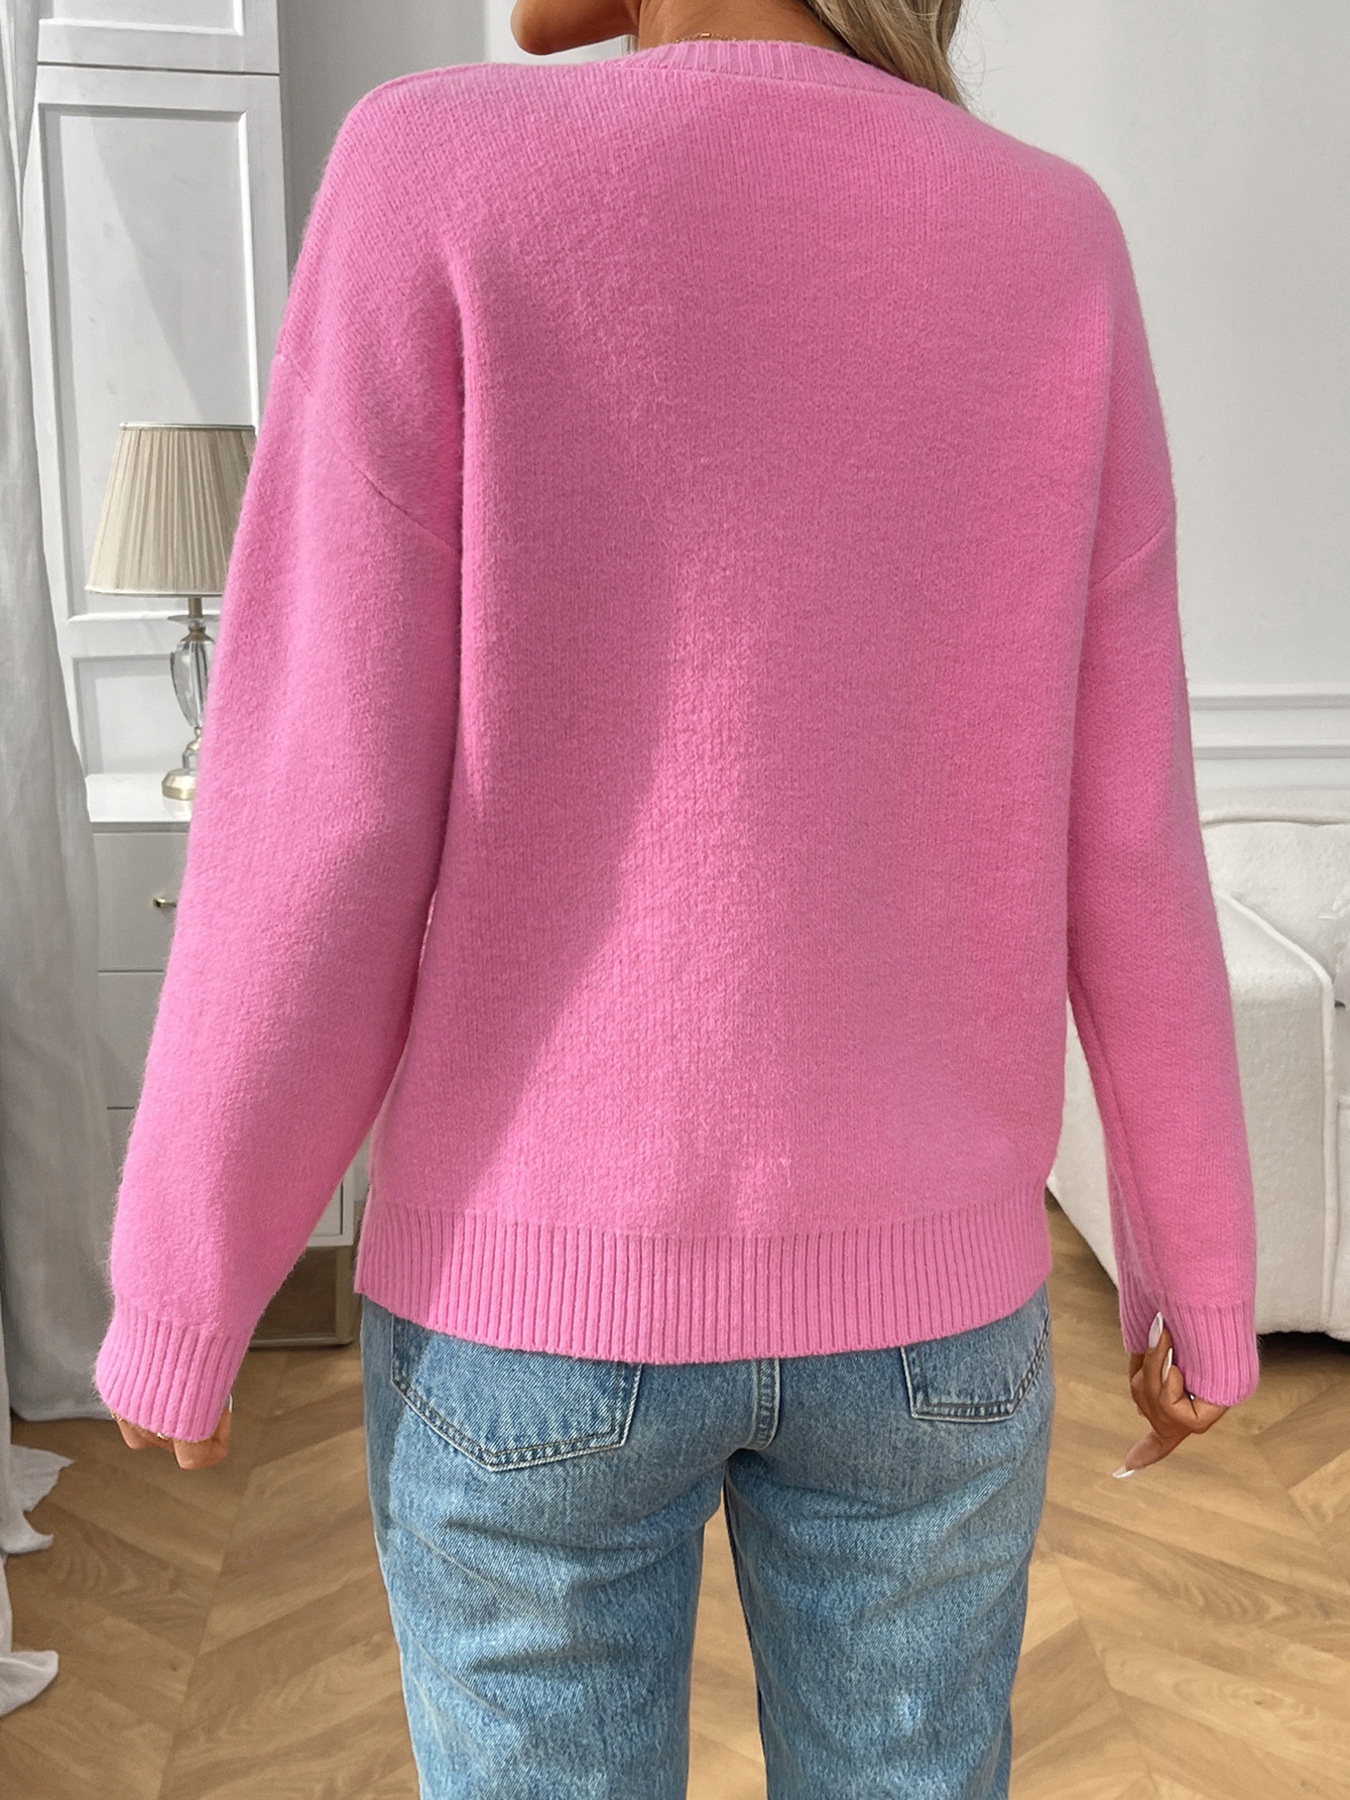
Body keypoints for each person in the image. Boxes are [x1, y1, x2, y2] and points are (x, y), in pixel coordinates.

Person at [98, 0, 1260, 1793]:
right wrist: (1198, 1269)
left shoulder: (435, 167)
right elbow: (1126, 830)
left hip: (529, 1307)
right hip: (931, 1326)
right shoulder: (1051, 238)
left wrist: (192, 1275)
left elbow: (325, 804)